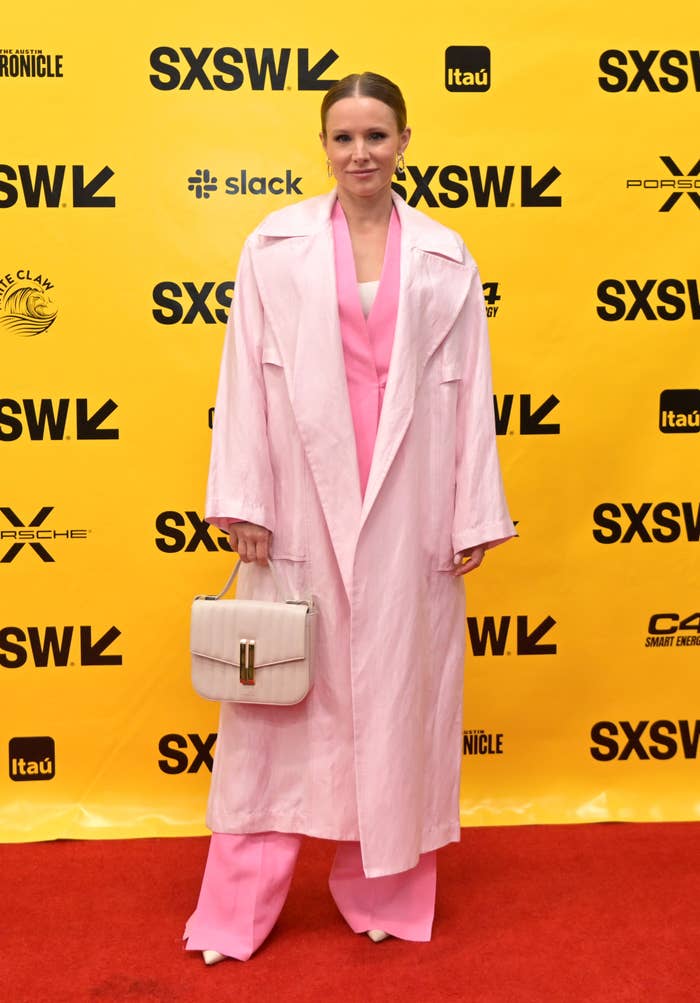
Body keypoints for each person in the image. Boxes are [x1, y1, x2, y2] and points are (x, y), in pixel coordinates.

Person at [184, 71, 515, 964]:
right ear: (323, 146)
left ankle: (387, 895)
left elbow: (473, 393)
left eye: (377, 135)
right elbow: (242, 375)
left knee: (398, 701)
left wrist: (470, 509)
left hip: (408, 507)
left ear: (406, 140)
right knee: (275, 711)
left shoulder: (446, 255)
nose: (360, 153)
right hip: (297, 500)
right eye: (343, 138)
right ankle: (236, 912)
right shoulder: (274, 246)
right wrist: (246, 500)